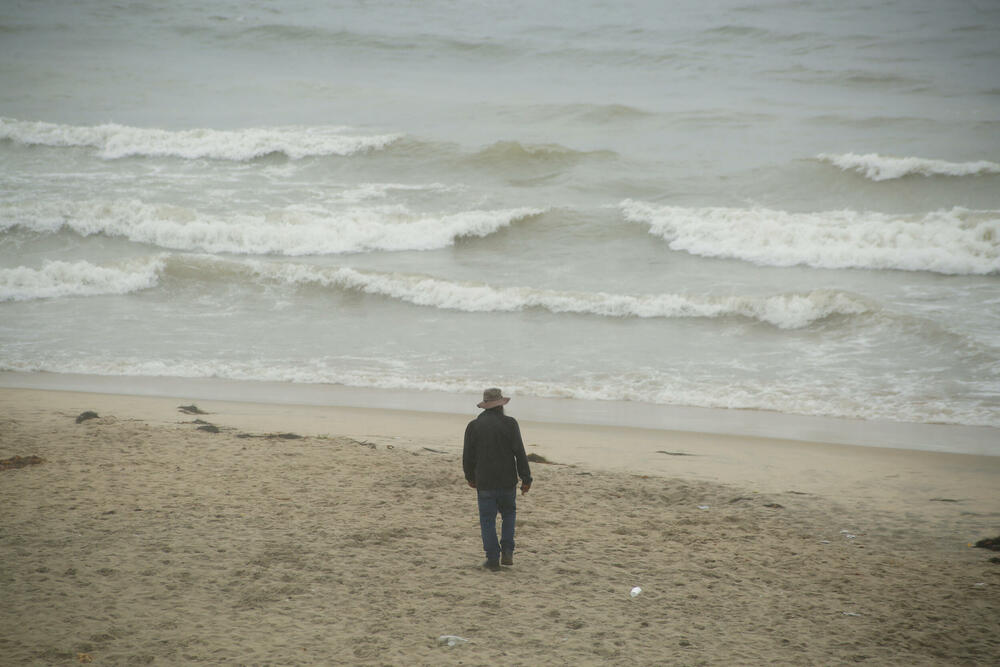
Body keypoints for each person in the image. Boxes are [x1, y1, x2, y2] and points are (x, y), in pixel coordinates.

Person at [463, 387, 532, 571]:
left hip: (485, 481)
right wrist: (526, 478)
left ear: (485, 406)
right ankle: (507, 551)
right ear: (501, 405)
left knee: (487, 520)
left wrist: (470, 476)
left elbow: (468, 456)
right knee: (509, 515)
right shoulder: (510, 424)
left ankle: (492, 559)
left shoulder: (474, 426)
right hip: (507, 480)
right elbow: (519, 453)